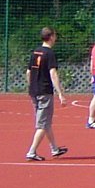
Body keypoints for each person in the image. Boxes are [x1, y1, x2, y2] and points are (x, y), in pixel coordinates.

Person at [25, 27, 69, 161]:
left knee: (46, 122)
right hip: (45, 91)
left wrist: (31, 86)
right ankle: (31, 152)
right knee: (42, 125)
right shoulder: (49, 53)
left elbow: (28, 72)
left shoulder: (35, 52)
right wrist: (60, 93)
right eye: (55, 35)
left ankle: (54, 149)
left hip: (34, 91)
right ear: (51, 37)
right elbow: (53, 73)